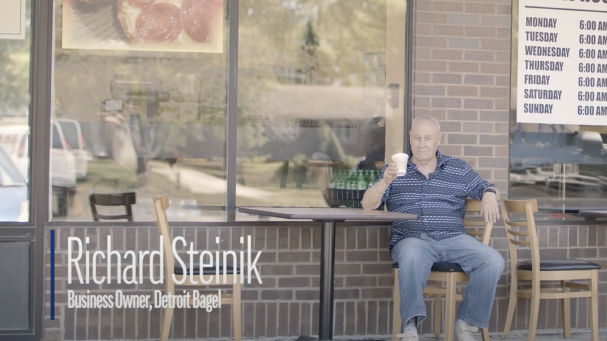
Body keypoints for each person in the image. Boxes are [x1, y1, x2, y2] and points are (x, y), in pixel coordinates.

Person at [361, 117, 504, 341]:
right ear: (410, 139)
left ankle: (465, 323)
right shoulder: (396, 170)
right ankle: (410, 327)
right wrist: (384, 182)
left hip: (453, 238)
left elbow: (486, 186)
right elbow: (367, 204)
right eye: (417, 138)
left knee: (493, 260)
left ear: (439, 140)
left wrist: (490, 195)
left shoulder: (458, 168)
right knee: (410, 253)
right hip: (411, 238)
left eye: (428, 138)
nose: (421, 143)